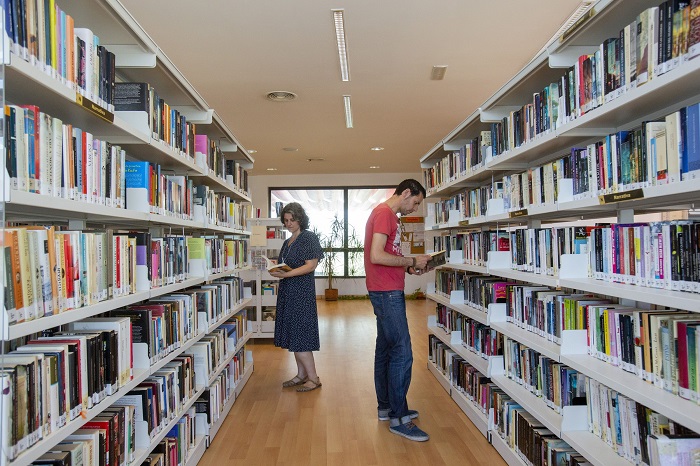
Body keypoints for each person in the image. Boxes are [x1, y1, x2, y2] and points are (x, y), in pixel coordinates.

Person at [364, 179, 432, 441]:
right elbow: (376, 255)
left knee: (385, 350)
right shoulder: (385, 214)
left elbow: (387, 257)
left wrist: (409, 267)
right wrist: (413, 259)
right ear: (406, 193)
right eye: (415, 202)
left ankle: (387, 408)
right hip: (386, 292)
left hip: (385, 288)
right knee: (403, 352)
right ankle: (399, 417)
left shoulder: (386, 215)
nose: (414, 208)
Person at [269, 202, 325, 392]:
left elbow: (310, 265)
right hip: (288, 292)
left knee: (301, 335)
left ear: (300, 219)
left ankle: (313, 378)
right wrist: (276, 269)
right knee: (294, 334)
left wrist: (286, 274)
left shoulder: (308, 237)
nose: (289, 223)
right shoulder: (288, 241)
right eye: (286, 220)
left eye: (292, 220)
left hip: (301, 292)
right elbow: (286, 264)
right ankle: (301, 375)